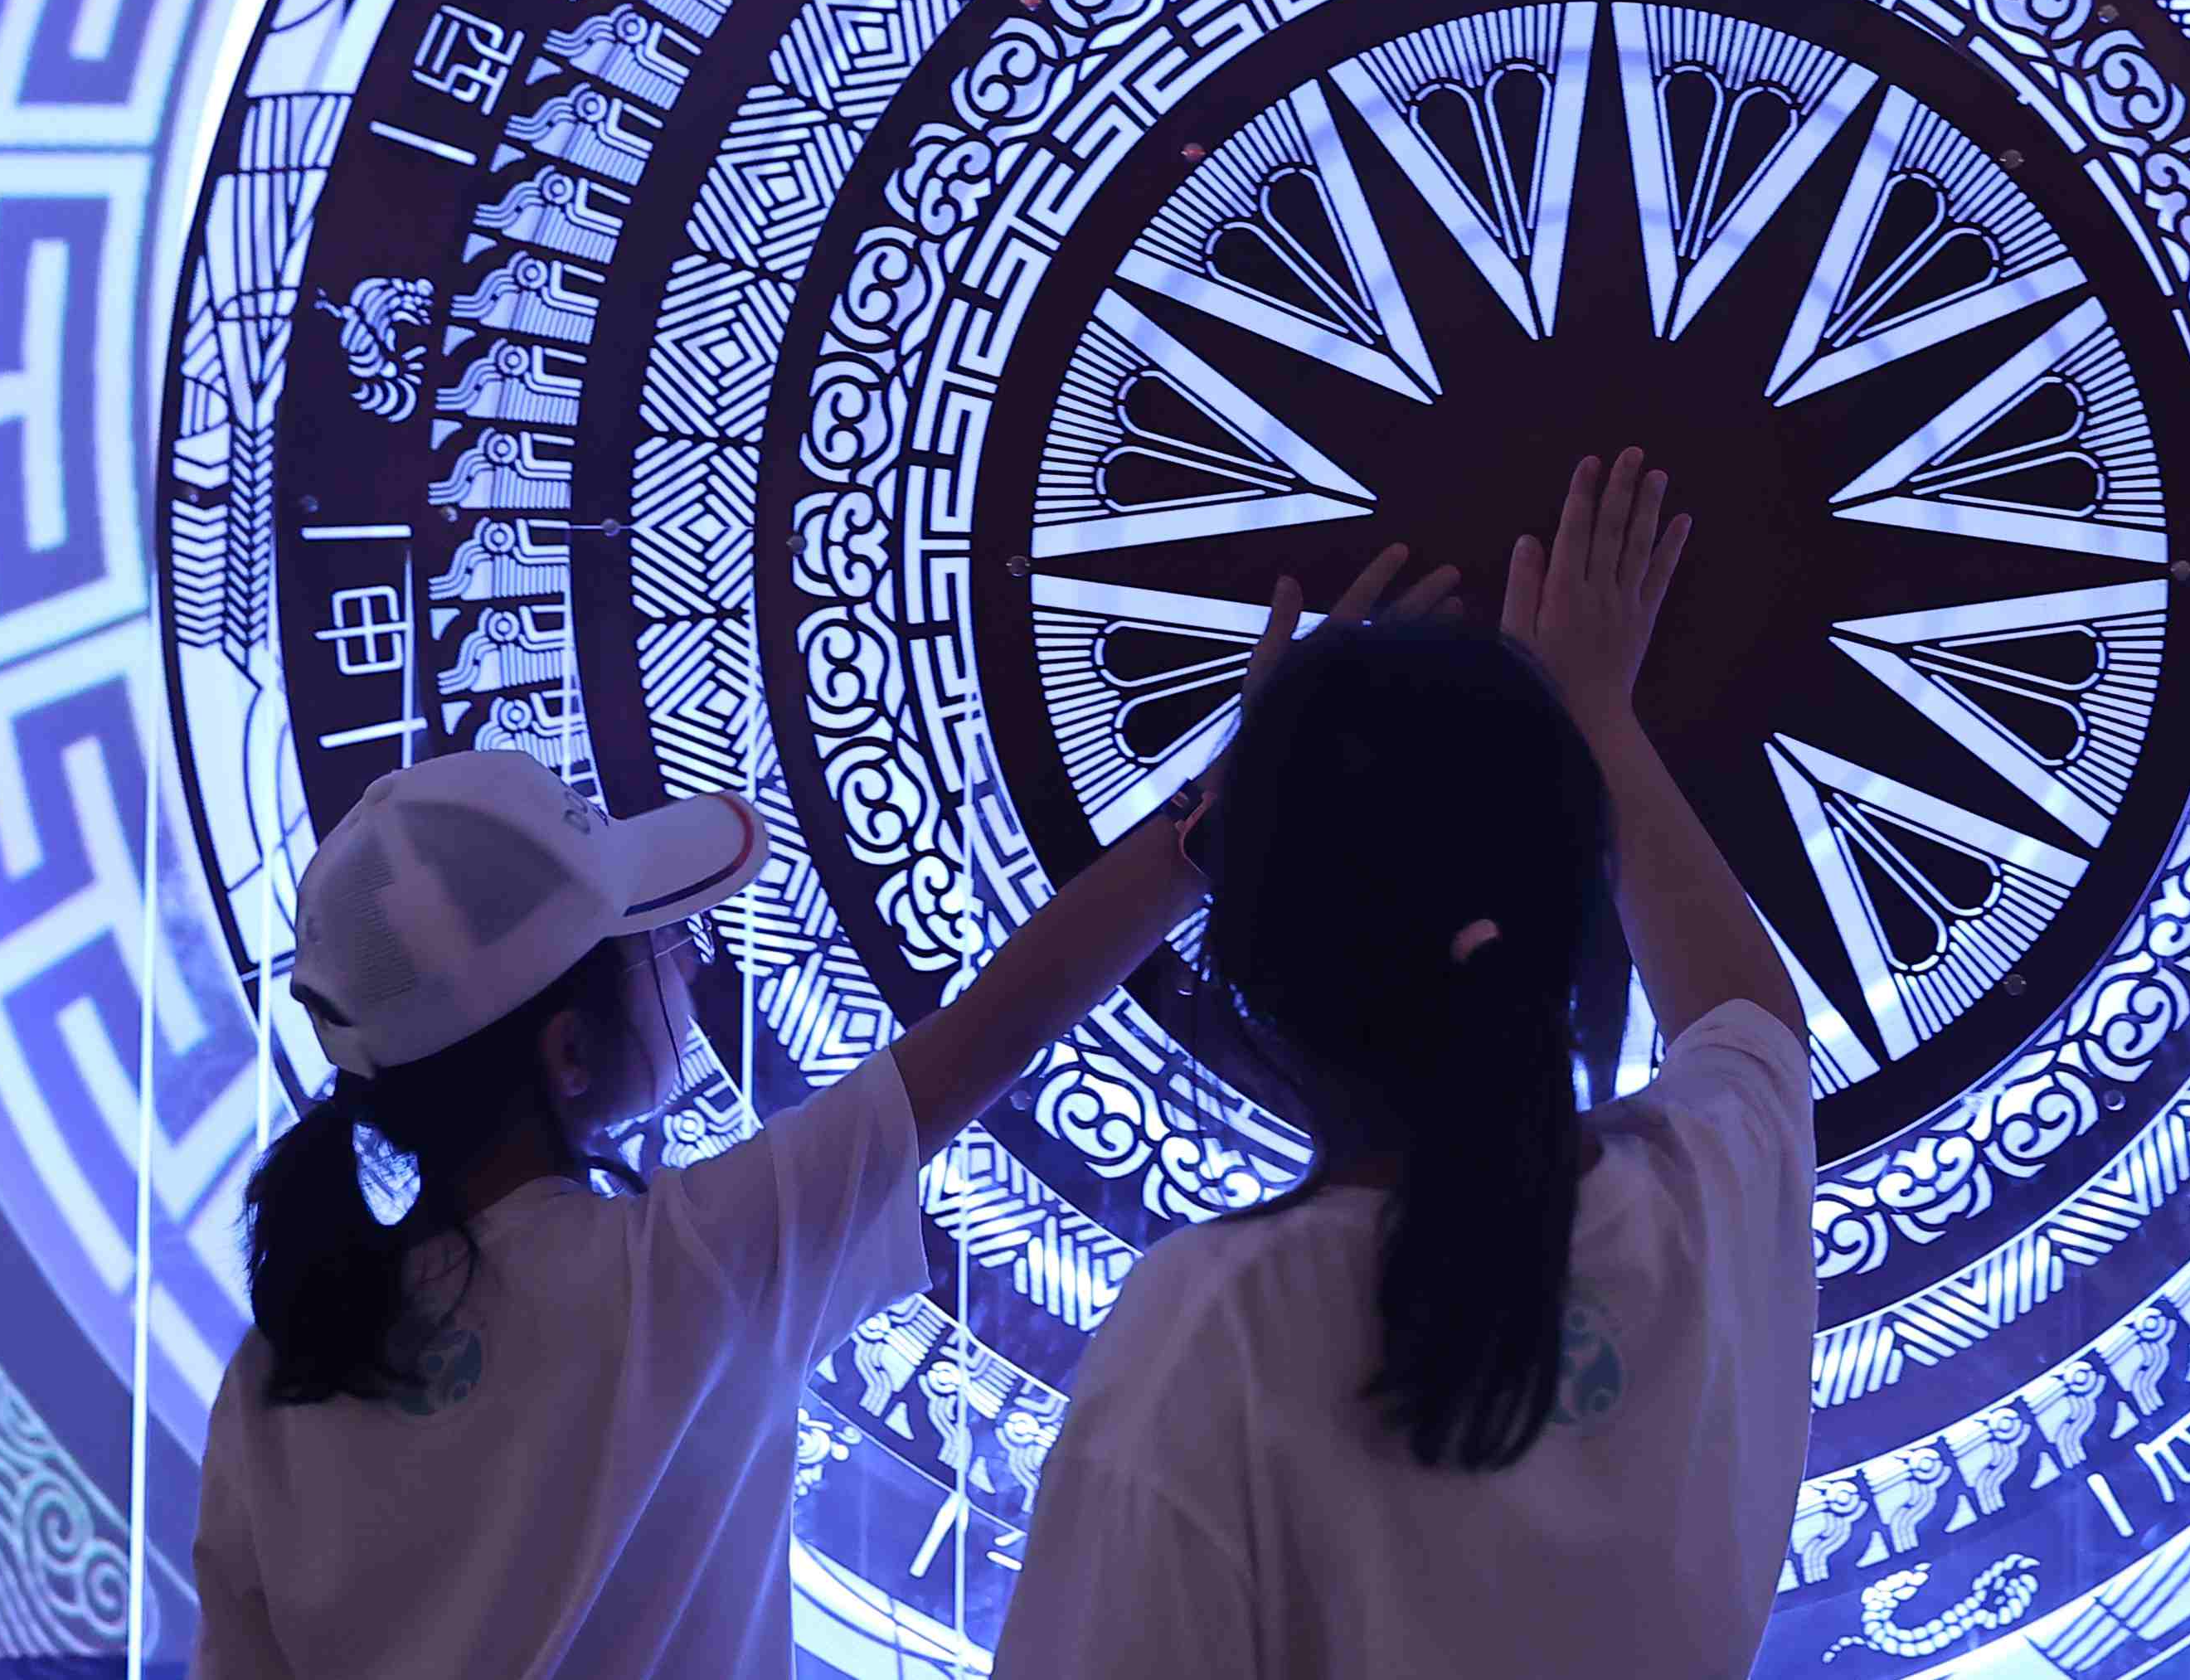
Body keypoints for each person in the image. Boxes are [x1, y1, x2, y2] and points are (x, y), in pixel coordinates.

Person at [187, 550, 1454, 1680]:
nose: (695, 956)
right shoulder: (685, 1272)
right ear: (566, 1053)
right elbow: (1002, 1020)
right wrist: (1222, 812)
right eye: (655, 937)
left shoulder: (273, 1376)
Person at [993, 449, 1820, 1678]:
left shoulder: (1214, 1331)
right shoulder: (1697, 1211)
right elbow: (1751, 1025)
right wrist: (1594, 711)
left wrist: (1241, 811)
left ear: (1256, 978)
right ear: (1571, 919)